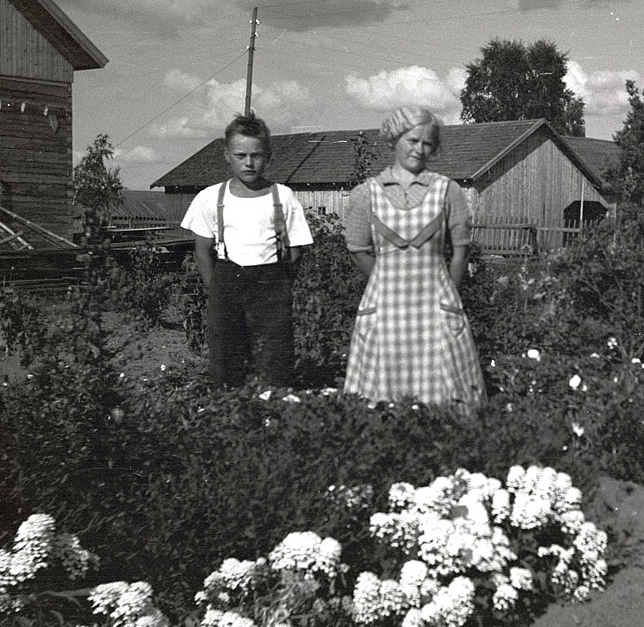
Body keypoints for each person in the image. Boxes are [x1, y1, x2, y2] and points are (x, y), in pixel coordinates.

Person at [342, 107, 485, 412]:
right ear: (395, 140)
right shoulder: (366, 193)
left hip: (435, 306)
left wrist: (449, 291)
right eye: (412, 140)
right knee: (381, 395)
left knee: (446, 393)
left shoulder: (448, 191)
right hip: (386, 308)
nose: (419, 150)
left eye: (428, 143)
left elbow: (461, 249)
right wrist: (384, 280)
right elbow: (356, 247)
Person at [181, 112, 313, 387]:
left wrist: (280, 282)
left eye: (257, 155)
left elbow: (297, 251)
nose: (249, 163)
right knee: (225, 355)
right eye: (241, 155)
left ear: (268, 155)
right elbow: (202, 251)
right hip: (227, 280)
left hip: (271, 284)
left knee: (275, 354)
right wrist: (215, 287)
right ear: (227, 155)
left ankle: (273, 410)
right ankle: (229, 413)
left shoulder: (283, 196)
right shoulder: (210, 198)